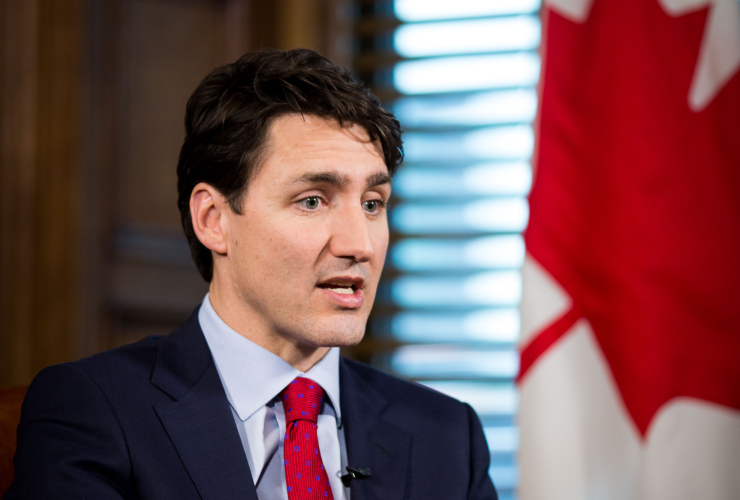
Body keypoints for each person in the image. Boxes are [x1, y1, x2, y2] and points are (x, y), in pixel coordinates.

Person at [5, 49, 497, 500]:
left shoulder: (447, 436)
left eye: (373, 204)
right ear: (213, 220)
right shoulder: (94, 410)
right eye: (312, 200)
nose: (359, 245)